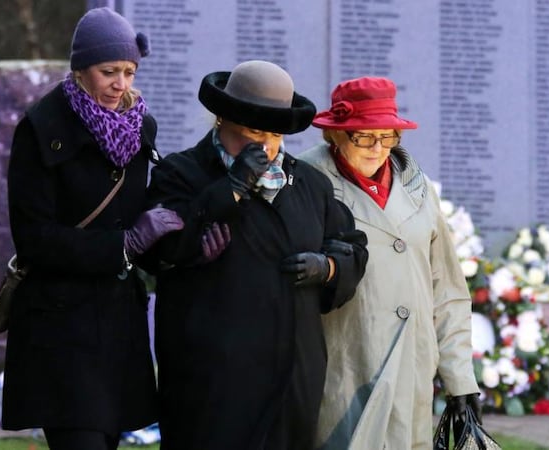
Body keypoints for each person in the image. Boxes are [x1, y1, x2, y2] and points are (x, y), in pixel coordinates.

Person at [145, 60, 369, 450]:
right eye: (252, 131)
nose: (265, 146)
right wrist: (230, 188)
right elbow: (160, 248)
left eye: (275, 134)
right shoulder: (181, 172)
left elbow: (352, 246)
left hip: (291, 378)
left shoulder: (309, 184)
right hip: (213, 380)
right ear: (221, 120)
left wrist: (329, 266)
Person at [1, 7, 184, 450]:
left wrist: (180, 241)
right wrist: (122, 245)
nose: (120, 84)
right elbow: (34, 238)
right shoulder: (41, 128)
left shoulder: (142, 128)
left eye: (128, 71)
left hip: (118, 327)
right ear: (80, 70)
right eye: (108, 72)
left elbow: (144, 211)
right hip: (60, 328)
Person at [298, 76, 481, 449]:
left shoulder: (418, 186)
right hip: (344, 365)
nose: (377, 148)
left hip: (412, 368)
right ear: (335, 135)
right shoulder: (304, 180)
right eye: (364, 136)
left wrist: (460, 381)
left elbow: (447, 290)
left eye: (388, 136)